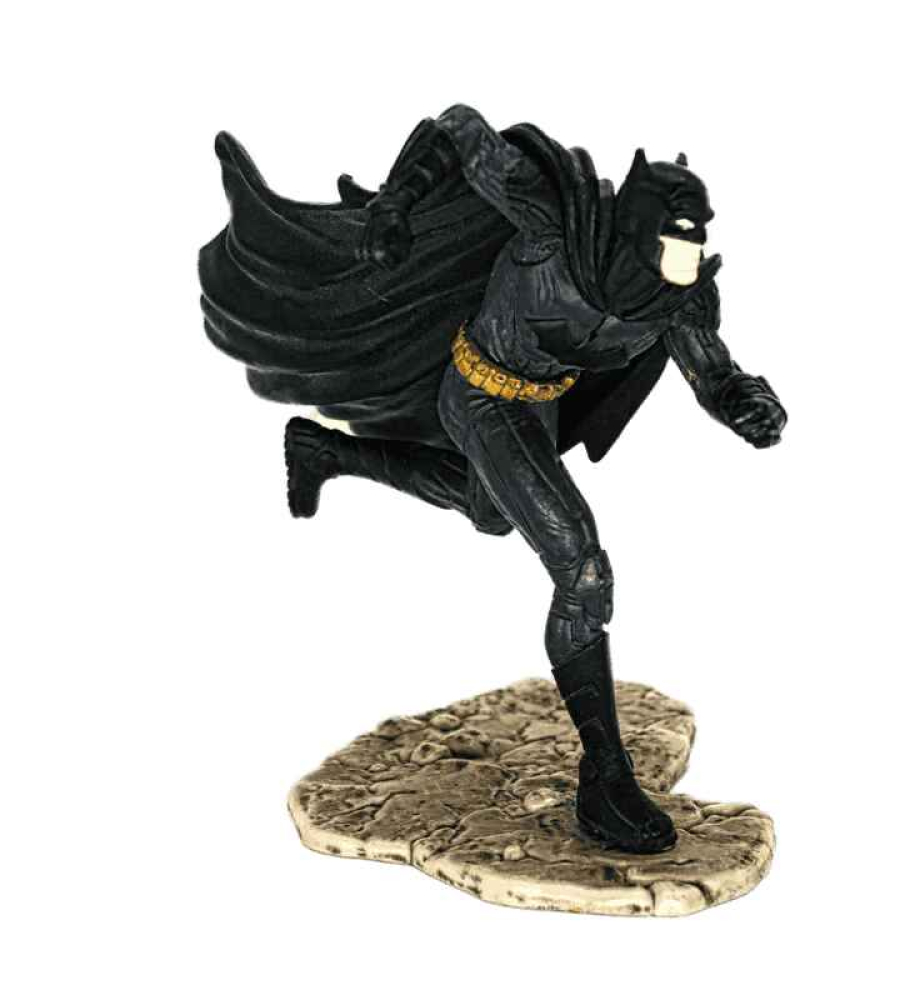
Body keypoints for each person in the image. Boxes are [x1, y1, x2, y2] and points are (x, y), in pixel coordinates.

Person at [201, 105, 787, 853]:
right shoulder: (554, 225)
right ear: (631, 227)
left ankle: (328, 453)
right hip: (480, 389)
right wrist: (394, 206)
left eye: (694, 238)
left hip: (540, 402)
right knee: (581, 568)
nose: (686, 255)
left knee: (490, 512)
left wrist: (747, 406)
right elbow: (460, 128)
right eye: (673, 237)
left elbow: (715, 372)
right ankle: (604, 777)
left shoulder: (680, 295)